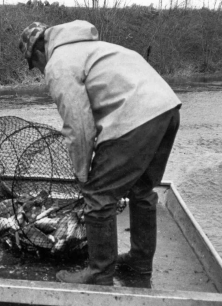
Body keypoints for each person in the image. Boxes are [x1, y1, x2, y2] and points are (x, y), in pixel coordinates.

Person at [19, 20, 181, 286]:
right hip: (167, 110)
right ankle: (140, 264)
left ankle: (99, 273)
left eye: (35, 66)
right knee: (142, 191)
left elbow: (80, 127)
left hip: (135, 117)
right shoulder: (97, 48)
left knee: (98, 196)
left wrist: (83, 176)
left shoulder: (58, 63)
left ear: (38, 52)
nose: (39, 71)